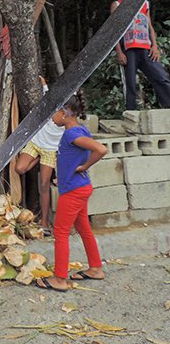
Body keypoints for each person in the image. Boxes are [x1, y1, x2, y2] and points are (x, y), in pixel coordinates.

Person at [35, 90, 107, 292]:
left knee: (60, 232)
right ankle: (95, 268)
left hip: (74, 191)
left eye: (55, 112)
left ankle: (59, 279)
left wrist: (84, 167)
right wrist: (65, 175)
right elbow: (73, 158)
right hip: (79, 187)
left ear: (65, 113)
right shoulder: (80, 129)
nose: (52, 117)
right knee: (83, 228)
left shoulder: (72, 134)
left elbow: (100, 149)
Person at [112, 0, 170, 110]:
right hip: (128, 50)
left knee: (161, 77)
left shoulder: (145, 4)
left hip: (146, 48)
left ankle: (168, 105)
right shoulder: (117, 4)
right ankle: (131, 112)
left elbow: (149, 26)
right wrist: (119, 52)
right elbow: (114, 32)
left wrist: (154, 46)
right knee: (131, 83)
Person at [15, 76, 64, 233]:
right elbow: (46, 93)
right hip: (36, 143)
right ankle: (36, 160)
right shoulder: (50, 103)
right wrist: (43, 82)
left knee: (44, 185)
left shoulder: (68, 119)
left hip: (50, 150)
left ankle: (44, 222)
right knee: (20, 168)